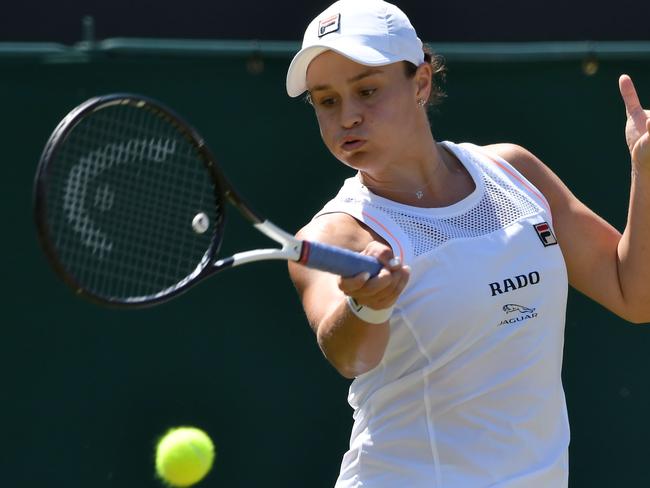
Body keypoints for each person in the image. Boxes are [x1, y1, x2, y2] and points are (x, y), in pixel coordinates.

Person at [285, 0, 650, 486]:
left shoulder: (516, 171)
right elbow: (350, 358)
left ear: (420, 82)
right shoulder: (335, 235)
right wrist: (367, 306)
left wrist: (645, 171)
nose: (347, 116)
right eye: (326, 101)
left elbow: (634, 293)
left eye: (367, 91)